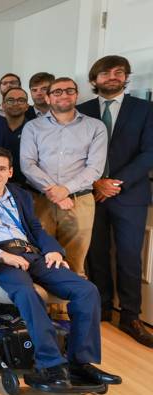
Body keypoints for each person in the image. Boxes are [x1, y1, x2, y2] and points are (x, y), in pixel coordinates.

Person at [0, 147, 122, 391]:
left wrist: (53, 250)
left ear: (10, 172)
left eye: (1, 169)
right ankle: (51, 365)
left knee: (86, 291)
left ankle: (79, 363)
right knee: (27, 292)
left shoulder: (20, 195)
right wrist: (3, 256)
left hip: (32, 254)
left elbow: (36, 229)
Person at [79, 55, 153, 347]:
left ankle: (131, 315)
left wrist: (113, 184)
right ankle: (103, 306)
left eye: (118, 72)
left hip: (130, 195)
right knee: (95, 253)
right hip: (90, 192)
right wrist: (95, 182)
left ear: (126, 77)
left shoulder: (145, 110)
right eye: (105, 73)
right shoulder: (82, 110)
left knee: (129, 256)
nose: (112, 77)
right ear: (94, 79)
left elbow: (149, 153)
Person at [20, 77, 107, 278]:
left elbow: (95, 168)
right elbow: (27, 164)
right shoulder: (33, 127)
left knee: (75, 264)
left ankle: (68, 310)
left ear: (76, 95)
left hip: (79, 202)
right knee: (41, 260)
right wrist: (54, 191)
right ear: (48, 98)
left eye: (69, 90)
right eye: (57, 92)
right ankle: (48, 310)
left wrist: (65, 190)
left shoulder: (95, 127)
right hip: (40, 200)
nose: (64, 95)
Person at [1, 87, 31, 185]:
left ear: (27, 106)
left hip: (28, 187)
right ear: (3, 105)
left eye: (21, 100)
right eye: (10, 100)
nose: (15, 104)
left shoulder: (34, 129)